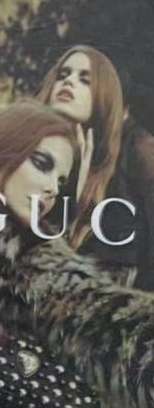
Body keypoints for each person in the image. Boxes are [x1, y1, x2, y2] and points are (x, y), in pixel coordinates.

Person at [0, 102, 154, 408]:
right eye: (42, 164)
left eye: (61, 181)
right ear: (0, 145)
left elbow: (101, 318)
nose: (52, 189)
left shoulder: (30, 257)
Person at [36, 45, 154, 287]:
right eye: (63, 74)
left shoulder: (138, 148)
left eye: (85, 80)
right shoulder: (29, 143)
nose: (69, 81)